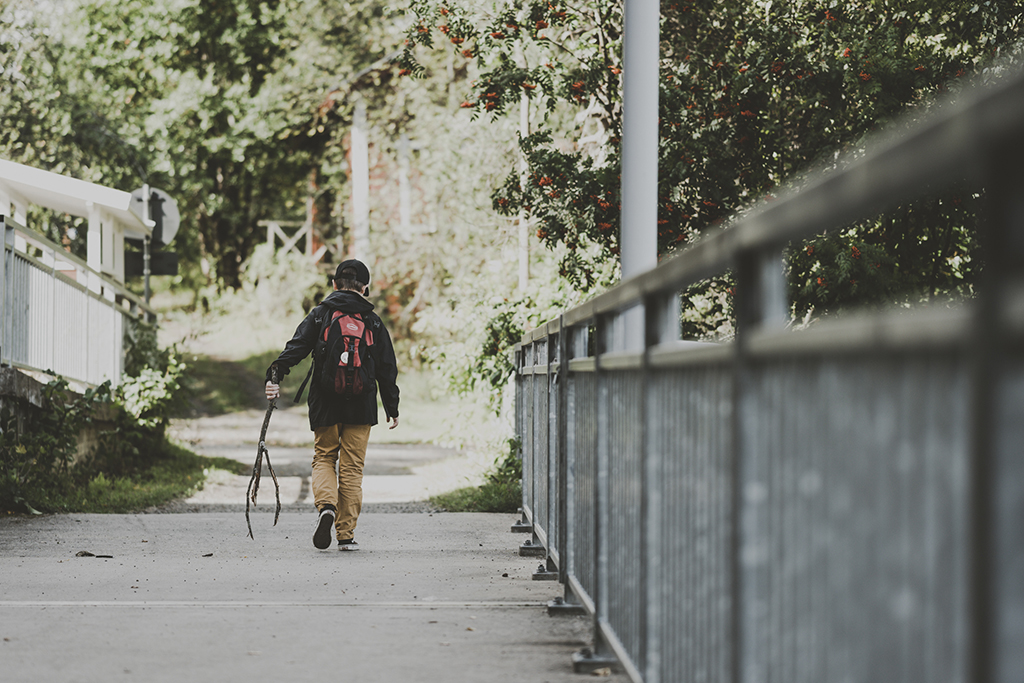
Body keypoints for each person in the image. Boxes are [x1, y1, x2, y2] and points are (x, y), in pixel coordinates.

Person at [264, 259, 399, 551]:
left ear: (335, 284)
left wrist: (275, 374)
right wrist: (392, 406)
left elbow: (296, 347)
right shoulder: (372, 321)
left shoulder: (321, 314)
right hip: (362, 403)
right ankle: (346, 535)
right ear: (364, 288)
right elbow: (387, 367)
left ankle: (326, 506)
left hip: (325, 398)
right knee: (352, 469)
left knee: (325, 456)